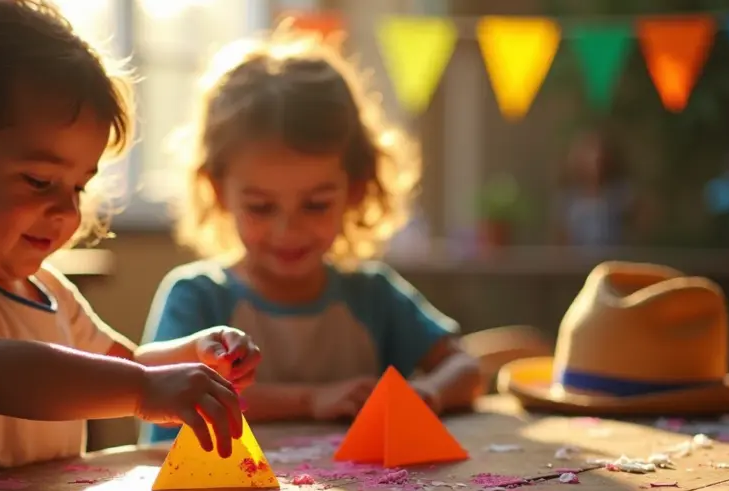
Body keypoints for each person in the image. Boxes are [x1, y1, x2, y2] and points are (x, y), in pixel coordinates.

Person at [0, 0, 258, 491]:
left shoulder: (47, 288)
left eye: (77, 187)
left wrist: (196, 358)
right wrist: (143, 391)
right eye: (38, 181)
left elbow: (128, 365)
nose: (68, 212)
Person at [138, 30, 483, 445]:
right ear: (217, 191)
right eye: (262, 207)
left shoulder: (372, 295)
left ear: (355, 189)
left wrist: (427, 394)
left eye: (316, 204)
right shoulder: (197, 297)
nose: (289, 231)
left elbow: (465, 369)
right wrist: (312, 400)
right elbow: (171, 398)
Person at [554, 130, 637, 248]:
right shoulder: (567, 200)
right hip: (577, 264)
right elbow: (561, 241)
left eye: (598, 153)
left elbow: (636, 228)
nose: (595, 159)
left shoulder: (619, 194)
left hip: (613, 262)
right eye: (590, 154)